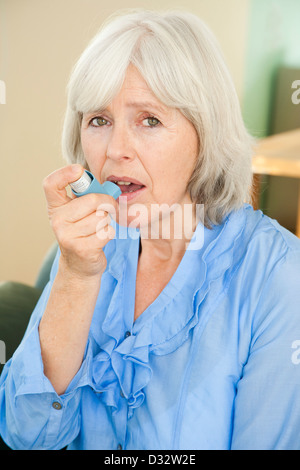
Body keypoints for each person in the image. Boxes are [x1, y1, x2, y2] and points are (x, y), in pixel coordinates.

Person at [1, 9, 300, 451]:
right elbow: (27, 435)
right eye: (98, 120)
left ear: (206, 135)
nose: (116, 150)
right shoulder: (90, 245)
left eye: (150, 120)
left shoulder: (278, 276)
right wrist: (76, 275)